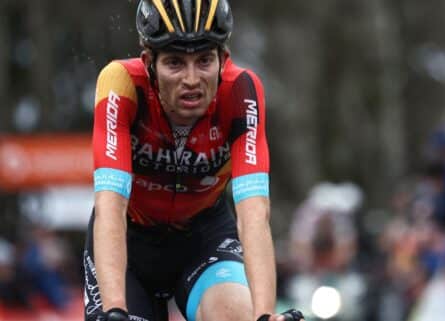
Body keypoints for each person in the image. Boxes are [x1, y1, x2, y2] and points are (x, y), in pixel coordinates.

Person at [83, 1, 304, 321]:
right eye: (174, 62)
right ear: (149, 63)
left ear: (223, 59)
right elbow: (110, 205)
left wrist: (265, 314)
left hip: (204, 236)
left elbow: (254, 213)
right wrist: (115, 308)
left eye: (203, 61)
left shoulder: (241, 91)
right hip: (128, 242)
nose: (191, 79)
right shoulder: (122, 84)